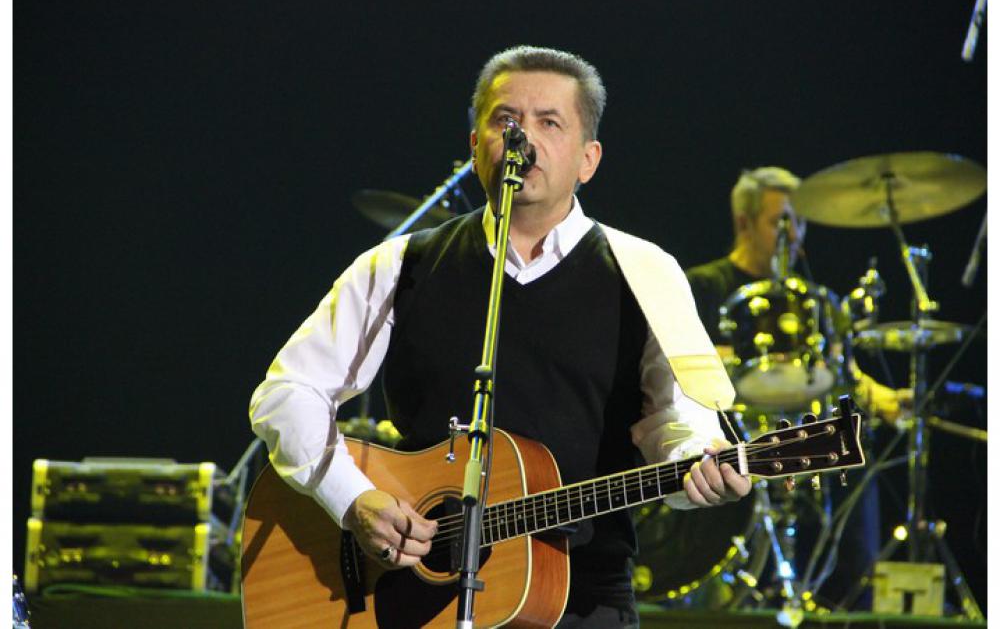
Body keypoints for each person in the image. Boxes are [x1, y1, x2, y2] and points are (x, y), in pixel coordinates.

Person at [249, 45, 751, 628]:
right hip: (407, 599)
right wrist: (353, 499)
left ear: (588, 159)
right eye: (505, 120)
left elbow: (677, 421)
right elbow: (286, 392)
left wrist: (697, 466)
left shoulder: (646, 270)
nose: (522, 139)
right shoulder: (401, 264)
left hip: (581, 599)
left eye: (549, 122)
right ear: (475, 145)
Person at [685, 166, 907, 608]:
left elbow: (841, 371)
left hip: (805, 442)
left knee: (855, 450)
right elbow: (679, 365)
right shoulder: (704, 286)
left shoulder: (813, 298)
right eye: (780, 221)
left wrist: (886, 399)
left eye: (799, 222)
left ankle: (851, 598)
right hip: (732, 446)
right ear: (744, 223)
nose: (794, 234)